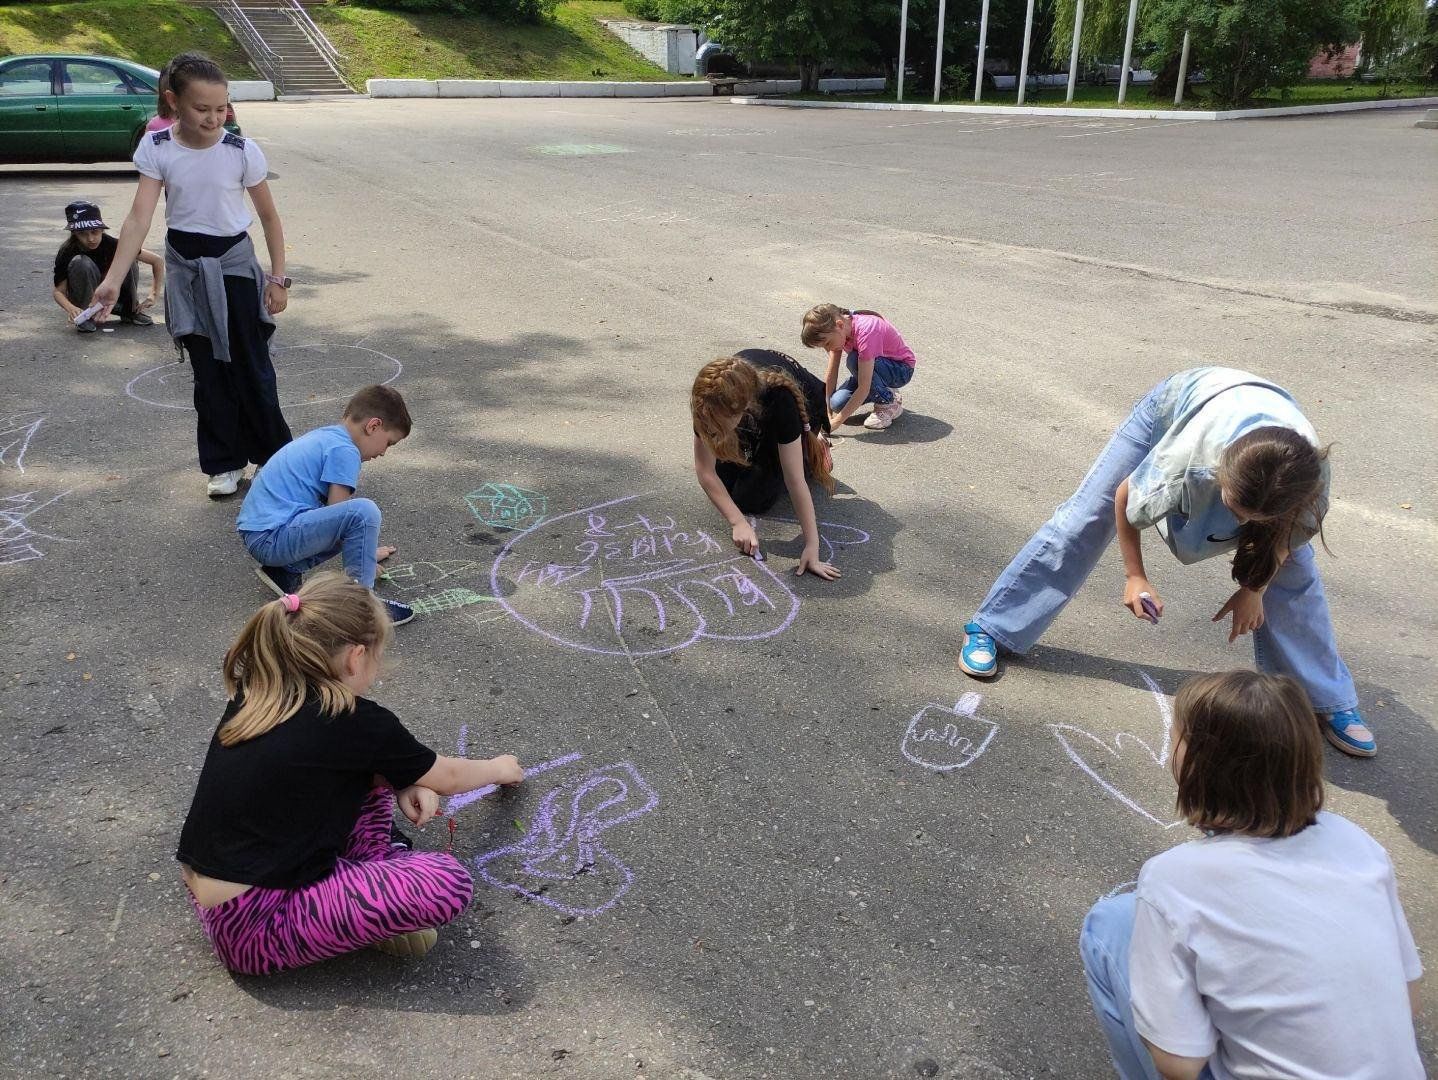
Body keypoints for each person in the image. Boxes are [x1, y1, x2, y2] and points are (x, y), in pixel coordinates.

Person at [957, 366, 1375, 757]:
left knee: (1298, 571)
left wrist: (1254, 590)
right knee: (1085, 517)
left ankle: (1328, 699)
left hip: (1263, 441)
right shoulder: (1192, 459)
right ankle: (993, 627)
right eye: (1234, 508)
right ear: (1219, 477)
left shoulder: (1309, 482)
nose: (1239, 523)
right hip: (1178, 405)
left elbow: (1287, 538)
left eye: (1252, 519)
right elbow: (1124, 497)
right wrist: (1135, 576)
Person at [1080, 669, 1424, 1080]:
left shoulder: (1175, 879)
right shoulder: (1356, 842)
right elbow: (1409, 999)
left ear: (1196, 763)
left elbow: (1180, 1064)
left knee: (1111, 923)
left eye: (1176, 736)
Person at [177, 574, 525, 975]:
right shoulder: (354, 721)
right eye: (377, 659)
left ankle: (366, 892)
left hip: (210, 895)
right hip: (257, 930)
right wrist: (500, 768)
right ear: (355, 657)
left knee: (363, 772)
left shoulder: (259, 694)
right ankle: (372, 894)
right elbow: (447, 776)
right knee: (449, 884)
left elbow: (358, 766)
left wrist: (404, 779)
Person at [92, 52, 292, 500]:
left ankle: (275, 459)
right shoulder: (157, 148)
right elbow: (138, 219)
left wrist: (278, 280)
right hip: (186, 269)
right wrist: (112, 279)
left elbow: (270, 219)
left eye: (221, 108)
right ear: (173, 102)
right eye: (203, 108)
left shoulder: (241, 150)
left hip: (235, 266)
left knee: (252, 366)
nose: (214, 117)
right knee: (208, 371)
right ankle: (223, 463)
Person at [237, 385, 414, 625]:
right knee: (363, 513)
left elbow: (334, 522)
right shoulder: (345, 450)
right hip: (274, 536)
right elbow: (341, 516)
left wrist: (365, 553)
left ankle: (283, 572)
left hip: (262, 535)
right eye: (389, 443)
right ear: (373, 426)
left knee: (351, 521)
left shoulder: (328, 437)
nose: (383, 452)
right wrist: (366, 563)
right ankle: (361, 607)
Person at [692, 351, 840, 580]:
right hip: (749, 415)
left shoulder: (780, 402)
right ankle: (755, 445)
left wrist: (812, 545)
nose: (709, 431)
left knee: (753, 499)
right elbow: (706, 471)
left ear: (740, 410)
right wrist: (738, 522)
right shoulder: (709, 400)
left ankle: (814, 450)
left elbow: (795, 480)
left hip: (804, 412)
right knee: (726, 481)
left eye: (716, 426)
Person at [800, 304, 916, 432]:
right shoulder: (839, 330)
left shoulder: (866, 331)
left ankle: (888, 402)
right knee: (836, 403)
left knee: (853, 359)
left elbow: (864, 387)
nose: (827, 349)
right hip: (872, 368)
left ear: (839, 325)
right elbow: (832, 372)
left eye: (827, 343)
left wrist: (835, 424)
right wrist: (827, 412)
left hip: (901, 370)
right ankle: (884, 389)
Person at [51, 201, 161, 333]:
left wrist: (153, 295)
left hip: (112, 297)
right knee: (81, 262)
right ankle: (86, 316)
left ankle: (129, 310)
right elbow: (58, 292)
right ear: (74, 233)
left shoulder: (112, 244)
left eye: (94, 232)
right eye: (83, 234)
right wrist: (70, 308)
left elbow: (157, 261)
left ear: (102, 229)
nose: (91, 239)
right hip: (87, 300)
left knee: (127, 257)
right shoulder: (67, 251)